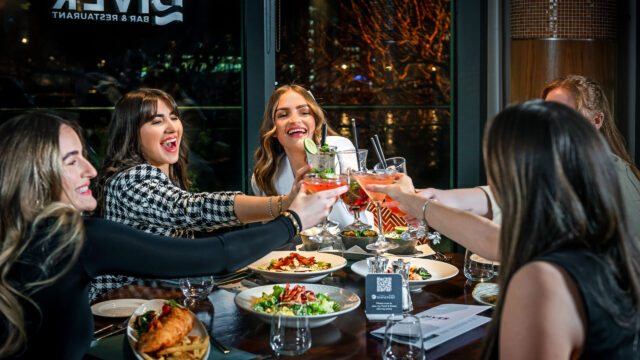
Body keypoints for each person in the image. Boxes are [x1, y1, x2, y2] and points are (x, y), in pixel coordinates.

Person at [0, 112, 345, 359]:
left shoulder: (31, 237)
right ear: (36, 174)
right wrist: (292, 219)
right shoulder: (73, 236)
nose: (90, 169)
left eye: (174, 116)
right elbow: (209, 253)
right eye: (72, 160)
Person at [370, 101, 640, 359]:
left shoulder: (542, 280)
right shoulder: (608, 244)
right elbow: (489, 238)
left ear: (516, 175)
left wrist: (416, 205)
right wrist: (415, 204)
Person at [89, 88, 310, 300]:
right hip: (114, 310)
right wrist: (285, 204)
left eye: (174, 117)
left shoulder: (163, 176)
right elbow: (192, 208)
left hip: (152, 297)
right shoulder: (130, 179)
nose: (172, 128)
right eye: (157, 121)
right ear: (131, 133)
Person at [407, 75, 640, 260]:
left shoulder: (610, 174)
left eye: (566, 116)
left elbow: (500, 241)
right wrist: (439, 197)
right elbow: (505, 197)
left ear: (596, 121)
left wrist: (428, 209)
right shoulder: (562, 167)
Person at [252, 84, 372, 229]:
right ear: (274, 129)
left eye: (304, 112)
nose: (294, 120)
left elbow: (356, 196)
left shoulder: (339, 149)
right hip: (295, 252)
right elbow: (274, 236)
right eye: (283, 115)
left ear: (315, 122)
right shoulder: (264, 177)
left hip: (352, 245)